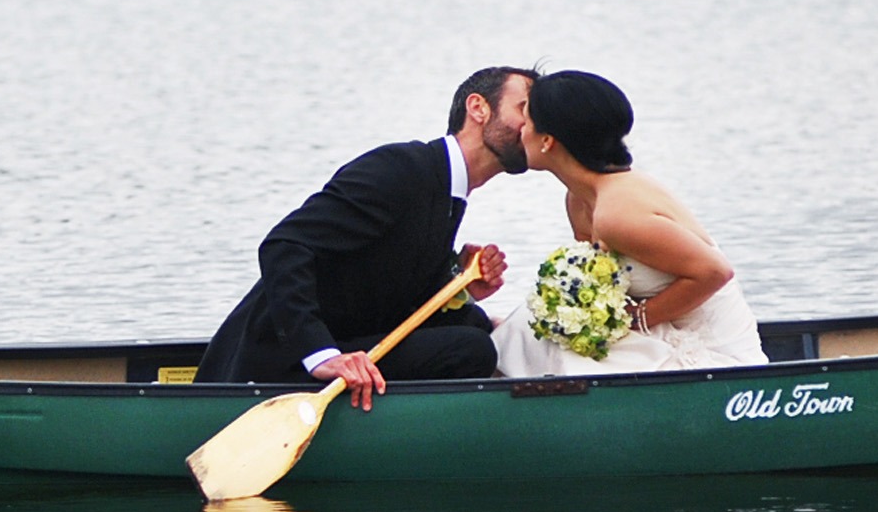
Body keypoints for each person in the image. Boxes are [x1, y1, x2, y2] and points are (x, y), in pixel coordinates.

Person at [195, 66, 539, 410]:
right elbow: (285, 247)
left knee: (474, 324)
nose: (533, 127)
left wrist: (457, 285)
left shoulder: (446, 189)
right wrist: (322, 356)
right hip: (277, 363)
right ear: (478, 108)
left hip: (346, 338)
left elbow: (383, 286)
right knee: (471, 349)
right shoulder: (399, 169)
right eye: (524, 109)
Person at [491, 70, 768, 376]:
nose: (519, 130)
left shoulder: (618, 213)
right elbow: (602, 282)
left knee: (558, 355)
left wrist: (636, 319)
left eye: (527, 121)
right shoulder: (578, 200)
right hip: (658, 330)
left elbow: (715, 272)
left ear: (547, 140)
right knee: (528, 329)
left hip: (711, 352)